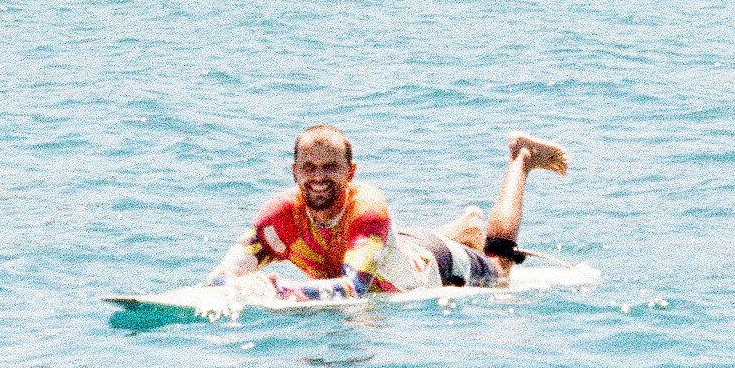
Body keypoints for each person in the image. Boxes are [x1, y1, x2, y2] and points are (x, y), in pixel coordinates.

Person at [212, 125, 568, 299]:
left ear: (350, 174)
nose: (318, 177)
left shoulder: (367, 208)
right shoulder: (279, 216)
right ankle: (464, 226)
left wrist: (279, 290)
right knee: (393, 245)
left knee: (500, 268)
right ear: (294, 172)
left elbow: (353, 289)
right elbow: (219, 277)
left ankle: (521, 158)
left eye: (330, 168)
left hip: (435, 264)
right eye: (309, 168)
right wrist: (240, 282)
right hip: (396, 245)